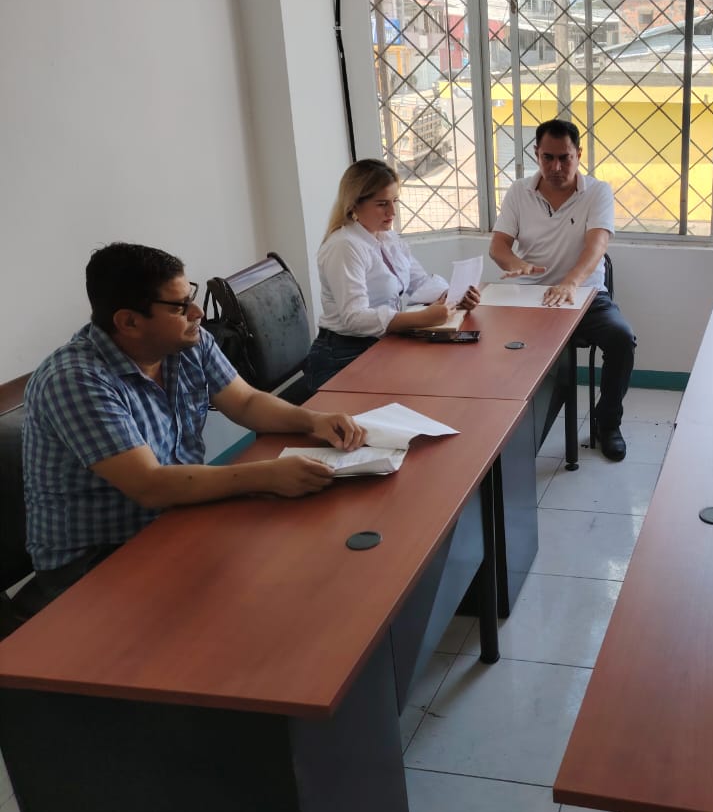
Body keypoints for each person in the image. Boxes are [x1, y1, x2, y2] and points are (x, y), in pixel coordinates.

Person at [18, 242, 367, 624]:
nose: (197, 313)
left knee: (297, 568)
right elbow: (150, 485)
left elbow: (246, 401)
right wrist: (268, 475)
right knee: (248, 608)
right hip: (95, 561)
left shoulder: (185, 342)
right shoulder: (75, 379)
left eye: (192, 296)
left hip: (175, 519)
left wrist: (313, 421)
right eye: (179, 306)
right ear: (129, 322)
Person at [489, 119, 636, 462]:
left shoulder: (597, 191)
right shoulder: (519, 192)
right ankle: (502, 426)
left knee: (621, 339)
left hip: (585, 296)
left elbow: (597, 246)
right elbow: (498, 247)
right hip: (530, 297)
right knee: (490, 342)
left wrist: (571, 282)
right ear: (536, 155)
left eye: (564, 158)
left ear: (578, 154)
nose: (556, 167)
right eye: (548, 158)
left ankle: (607, 423)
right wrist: (517, 264)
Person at [303, 159, 481, 392]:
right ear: (354, 205)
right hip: (343, 355)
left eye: (395, 201)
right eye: (382, 204)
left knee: (447, 375)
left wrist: (454, 297)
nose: (392, 212)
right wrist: (421, 318)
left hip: (380, 343)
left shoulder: (387, 237)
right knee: (426, 388)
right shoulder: (345, 246)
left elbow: (420, 282)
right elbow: (354, 317)